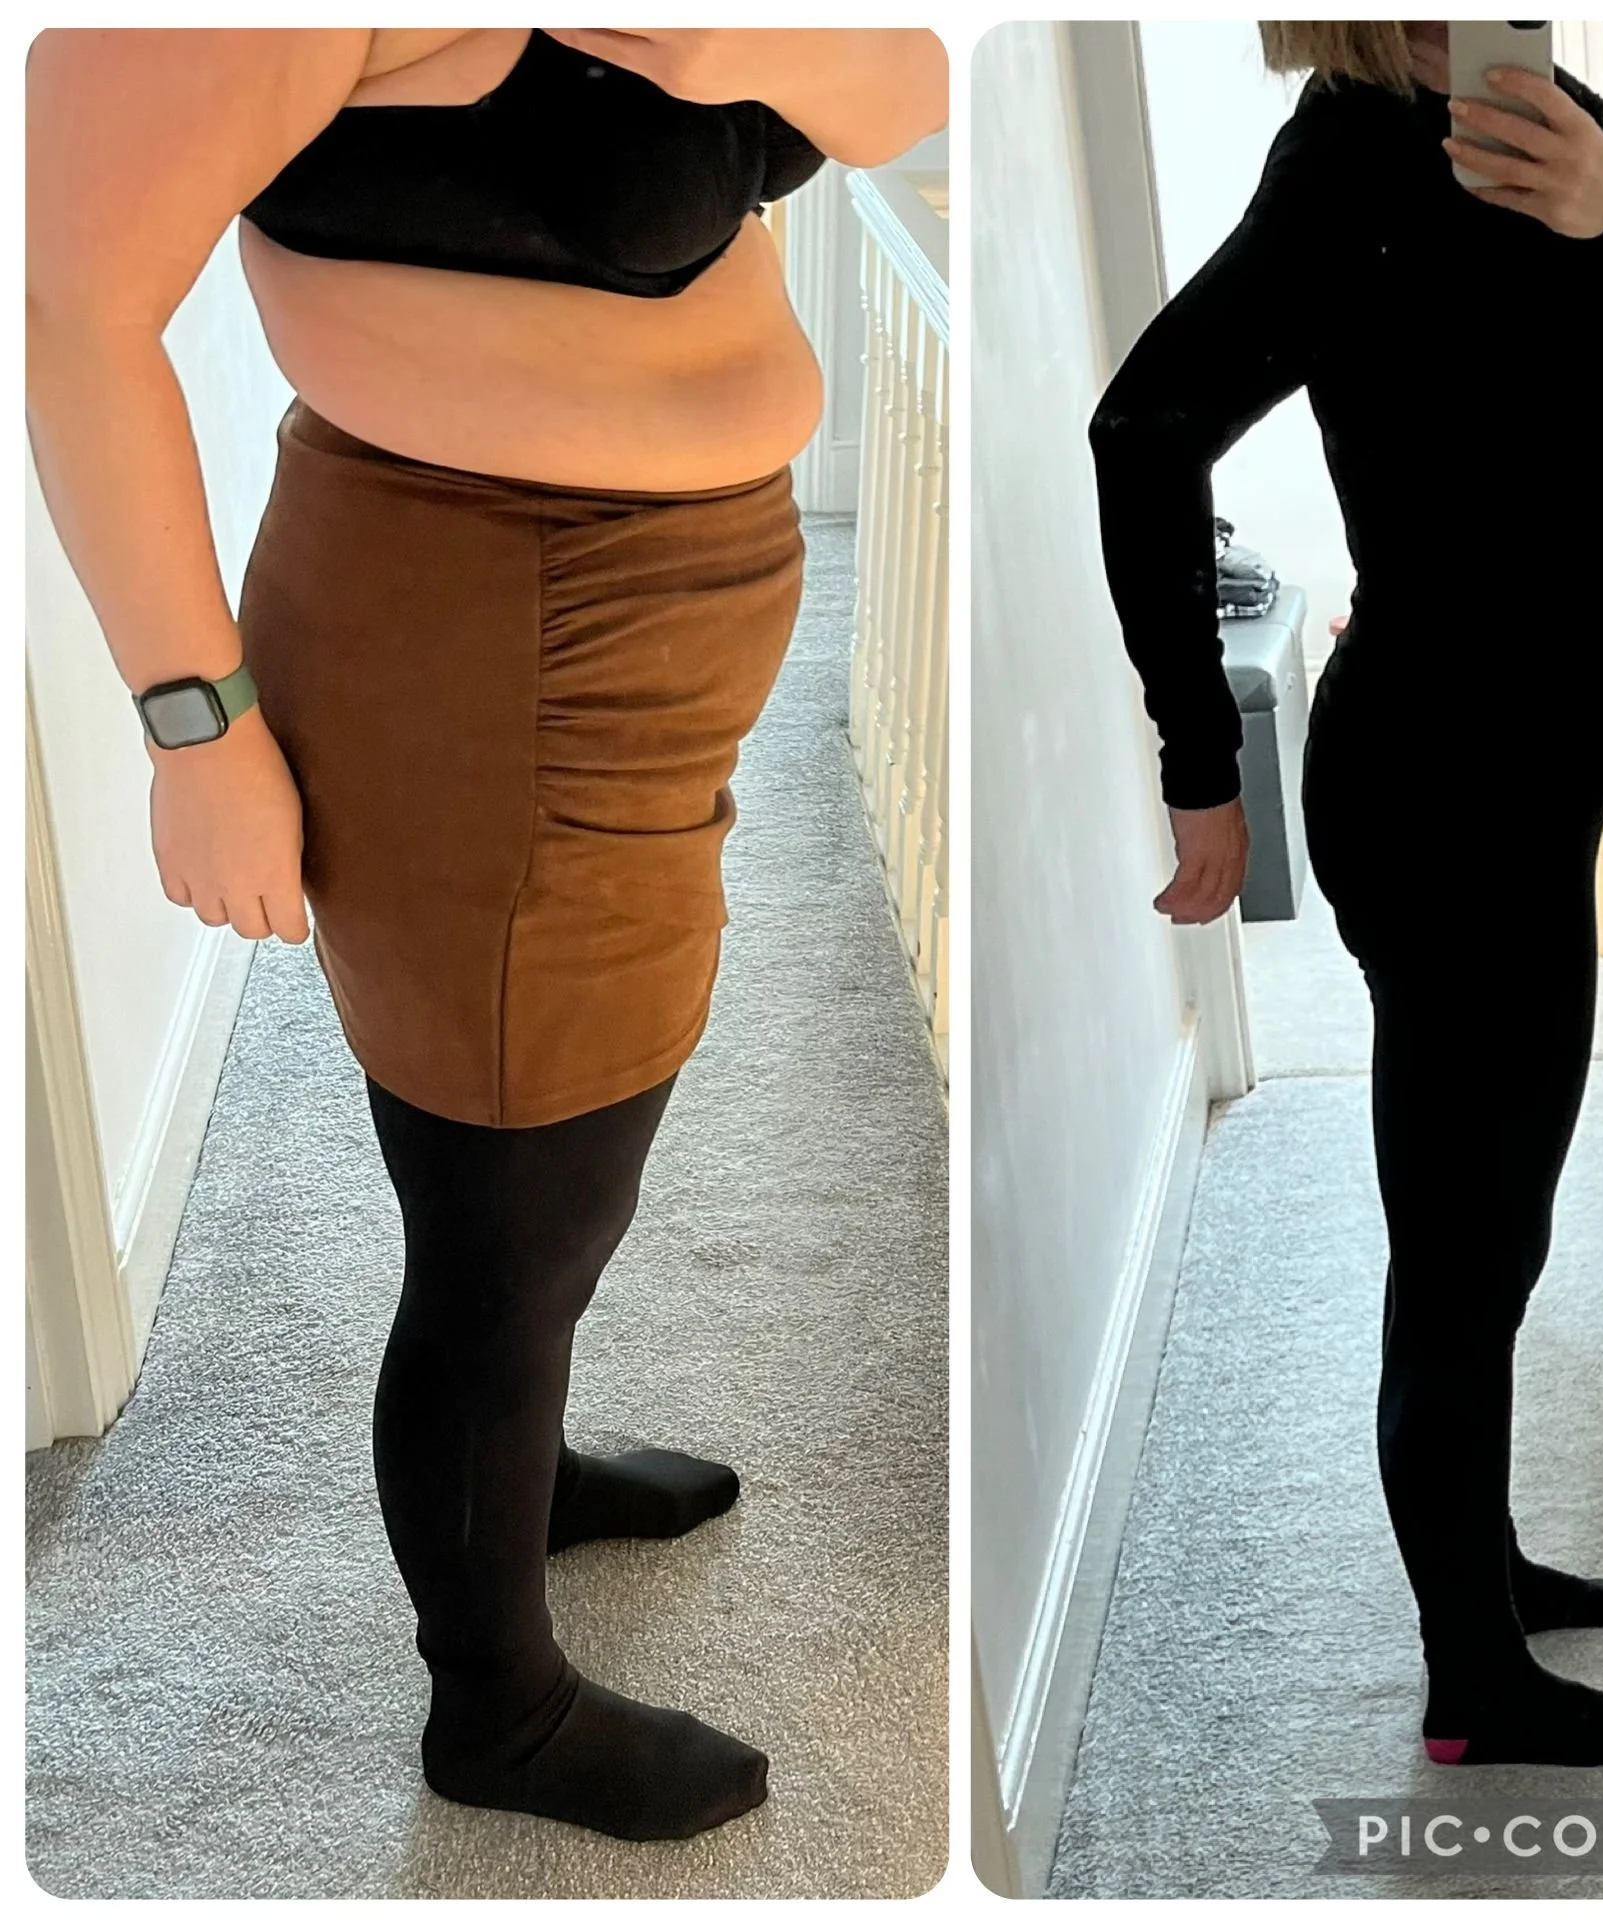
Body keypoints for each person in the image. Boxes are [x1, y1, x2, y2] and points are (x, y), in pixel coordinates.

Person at [26, 26, 947, 1843]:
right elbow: (72, 314)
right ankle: (495, 1711)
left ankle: (521, 1475)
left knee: (557, 1141)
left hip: (655, 623)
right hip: (479, 615)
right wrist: (195, 732)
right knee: (509, 1206)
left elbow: (913, 90)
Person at [1088, 20, 1603, 1766]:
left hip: (1534, 778)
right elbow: (1143, 429)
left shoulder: (1531, 121)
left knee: (1495, 1230)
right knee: (1463, 1254)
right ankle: (1471, 1684)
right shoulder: (1350, 163)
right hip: (1442, 797)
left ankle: (1483, 1579)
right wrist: (1200, 767)